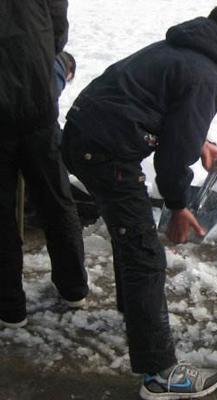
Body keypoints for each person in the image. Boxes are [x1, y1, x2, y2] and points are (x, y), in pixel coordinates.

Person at [61, 3, 217, 399]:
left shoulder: (176, 51)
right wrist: (178, 205)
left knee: (129, 232)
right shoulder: (206, 75)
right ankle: (159, 374)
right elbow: (171, 157)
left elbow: (163, 111)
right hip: (106, 150)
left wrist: (200, 140)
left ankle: (135, 313)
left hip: (85, 135)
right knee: (145, 253)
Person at [0, 0, 89, 329]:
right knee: (56, 199)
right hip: (37, 101)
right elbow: (57, 32)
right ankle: (73, 288)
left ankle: (10, 307)